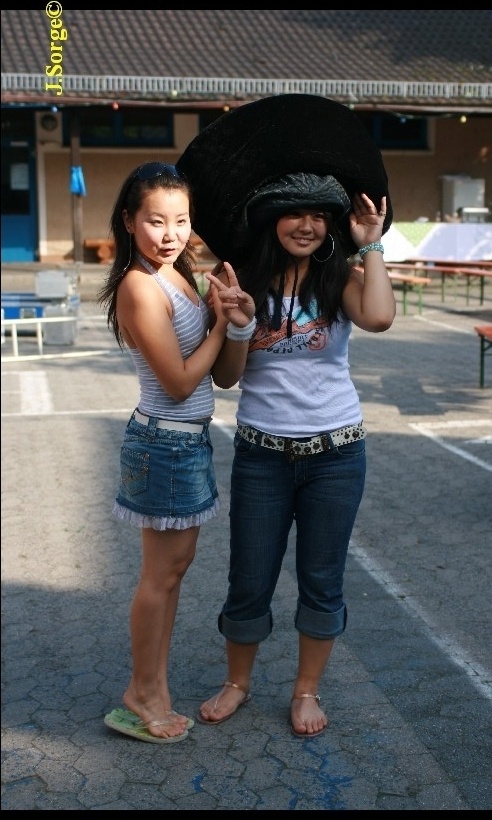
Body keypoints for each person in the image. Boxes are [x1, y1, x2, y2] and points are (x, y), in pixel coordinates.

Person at [197, 171, 396, 737]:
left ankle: (306, 690)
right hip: (262, 457)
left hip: (336, 455)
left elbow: (380, 318)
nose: (307, 226)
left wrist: (370, 244)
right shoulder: (240, 284)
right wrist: (238, 326)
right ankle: (237, 683)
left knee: (322, 577)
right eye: (294, 213)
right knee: (249, 576)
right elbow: (226, 379)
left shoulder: (342, 280)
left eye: (319, 216)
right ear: (271, 220)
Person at [97, 161, 252, 743]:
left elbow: (224, 377)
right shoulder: (140, 285)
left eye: (181, 220)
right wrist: (219, 324)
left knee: (174, 571)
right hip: (163, 443)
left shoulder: (179, 273)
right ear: (129, 221)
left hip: (186, 442)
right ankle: (141, 693)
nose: (171, 234)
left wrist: (233, 320)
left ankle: (153, 687)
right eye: (156, 221)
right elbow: (182, 382)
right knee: (159, 577)